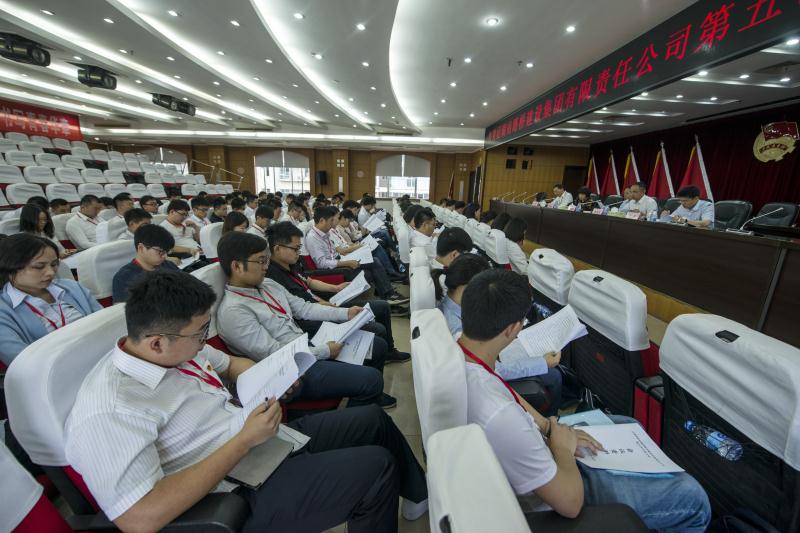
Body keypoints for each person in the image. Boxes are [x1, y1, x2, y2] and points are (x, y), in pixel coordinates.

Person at [65, 269, 428, 533]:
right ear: (157, 342)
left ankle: (420, 495)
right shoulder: (110, 408)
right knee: (375, 469)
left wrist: (269, 381)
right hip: (234, 489)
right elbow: (139, 518)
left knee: (371, 420)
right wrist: (243, 441)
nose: (204, 342)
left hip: (258, 443)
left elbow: (234, 365)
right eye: (200, 334)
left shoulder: (175, 349)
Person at [459, 269, 710, 530]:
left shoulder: (463, 355)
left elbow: (504, 389)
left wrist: (548, 427)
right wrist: (562, 449)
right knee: (694, 498)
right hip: (557, 491)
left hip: (543, 446)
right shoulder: (500, 415)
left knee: (627, 423)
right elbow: (570, 503)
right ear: (512, 328)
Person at [215, 232, 398, 409]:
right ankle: (362, 412)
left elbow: (304, 308)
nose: (266, 267)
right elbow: (273, 354)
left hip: (305, 344)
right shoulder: (234, 311)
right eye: (261, 261)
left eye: (267, 261)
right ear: (237, 266)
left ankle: (370, 399)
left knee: (378, 346)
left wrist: (345, 313)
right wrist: (325, 351)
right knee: (371, 379)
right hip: (292, 370)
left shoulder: (267, 285)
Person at [266, 222, 410, 363]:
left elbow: (308, 281)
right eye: (296, 248)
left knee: (382, 306)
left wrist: (336, 288)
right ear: (277, 249)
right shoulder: (273, 278)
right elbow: (299, 309)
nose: (299, 253)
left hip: (324, 304)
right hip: (313, 317)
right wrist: (328, 305)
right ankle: (375, 357)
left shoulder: (291, 264)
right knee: (377, 330)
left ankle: (389, 351)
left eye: (299, 248)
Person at [434, 254, 562, 409]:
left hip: (492, 358)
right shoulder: (456, 327)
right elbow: (495, 369)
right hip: (493, 369)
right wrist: (542, 363)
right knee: (554, 376)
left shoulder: (450, 306)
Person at [0, 234, 101, 365]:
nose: (51, 272)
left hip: (101, 357)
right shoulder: (4, 310)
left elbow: (104, 323)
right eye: (39, 266)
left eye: (54, 264)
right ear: (10, 267)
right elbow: (23, 363)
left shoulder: (72, 287)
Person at [306, 206, 406, 304]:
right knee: (372, 265)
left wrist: (351, 257)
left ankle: (387, 294)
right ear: (322, 221)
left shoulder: (324, 233)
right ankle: (388, 294)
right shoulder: (313, 238)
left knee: (373, 259)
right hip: (333, 270)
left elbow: (335, 253)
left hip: (340, 260)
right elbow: (322, 263)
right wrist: (347, 262)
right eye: (331, 220)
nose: (333, 223)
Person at [112, 224, 179, 303]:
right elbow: (123, 308)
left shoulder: (169, 265)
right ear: (141, 248)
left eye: (167, 252)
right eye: (161, 252)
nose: (165, 256)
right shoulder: (124, 277)